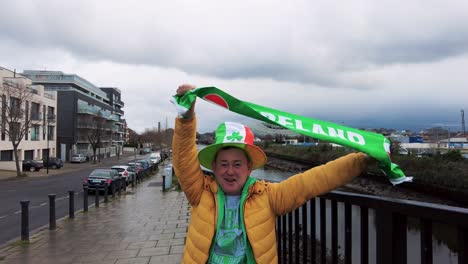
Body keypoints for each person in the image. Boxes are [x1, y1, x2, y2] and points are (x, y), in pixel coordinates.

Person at [172, 84, 374, 263]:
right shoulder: (200, 192)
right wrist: (186, 118)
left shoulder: (268, 196)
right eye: (224, 164)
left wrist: (361, 160)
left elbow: (314, 181)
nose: (230, 171)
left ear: (249, 168)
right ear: (214, 167)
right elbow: (183, 161)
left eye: (237, 164)